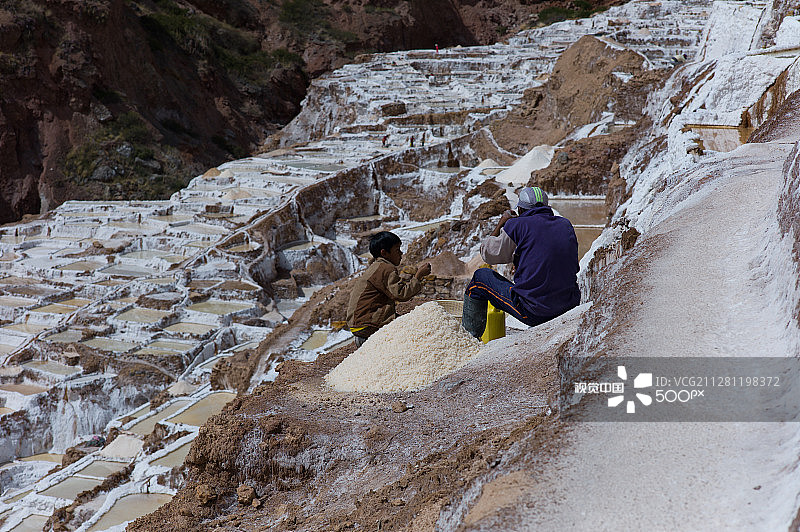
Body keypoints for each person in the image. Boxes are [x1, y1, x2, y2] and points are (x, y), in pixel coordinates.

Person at [461, 186, 580, 338]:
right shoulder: (565, 224)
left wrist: (502, 223)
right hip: (568, 307)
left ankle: (468, 338)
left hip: (535, 312)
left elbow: (488, 254)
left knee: (480, 278)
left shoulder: (516, 226)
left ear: (521, 210)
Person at [347, 231, 432, 346]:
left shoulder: (377, 266)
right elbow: (401, 294)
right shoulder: (385, 268)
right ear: (384, 253)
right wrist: (418, 276)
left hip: (358, 323)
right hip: (366, 323)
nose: (401, 254)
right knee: (412, 329)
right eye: (397, 250)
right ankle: (368, 341)